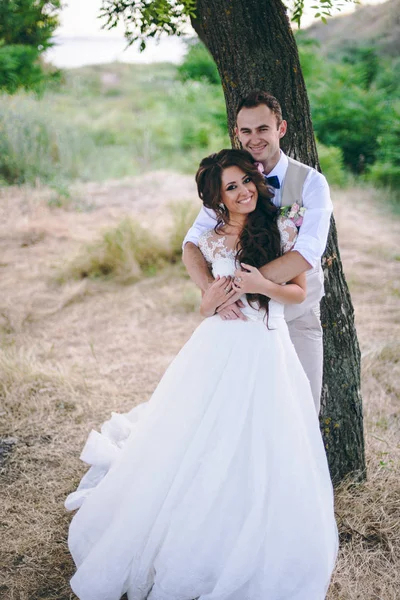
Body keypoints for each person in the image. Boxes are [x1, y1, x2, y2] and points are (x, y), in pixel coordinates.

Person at [65, 149, 338, 600]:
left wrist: (261, 285)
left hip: (267, 348)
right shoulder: (210, 238)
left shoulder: (280, 229)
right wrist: (214, 299)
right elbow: (203, 305)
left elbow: (295, 292)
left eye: (246, 181)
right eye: (231, 188)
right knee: (204, 433)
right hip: (218, 347)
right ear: (217, 199)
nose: (244, 190)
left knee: (265, 436)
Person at [183, 91, 333, 413]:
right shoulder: (228, 180)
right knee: (241, 414)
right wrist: (213, 292)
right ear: (236, 133)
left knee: (300, 413)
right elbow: (192, 244)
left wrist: (241, 290)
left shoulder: (311, 183)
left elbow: (306, 254)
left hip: (296, 316)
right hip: (242, 328)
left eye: (263, 128)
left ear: (280, 129)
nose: (254, 139)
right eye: (246, 131)